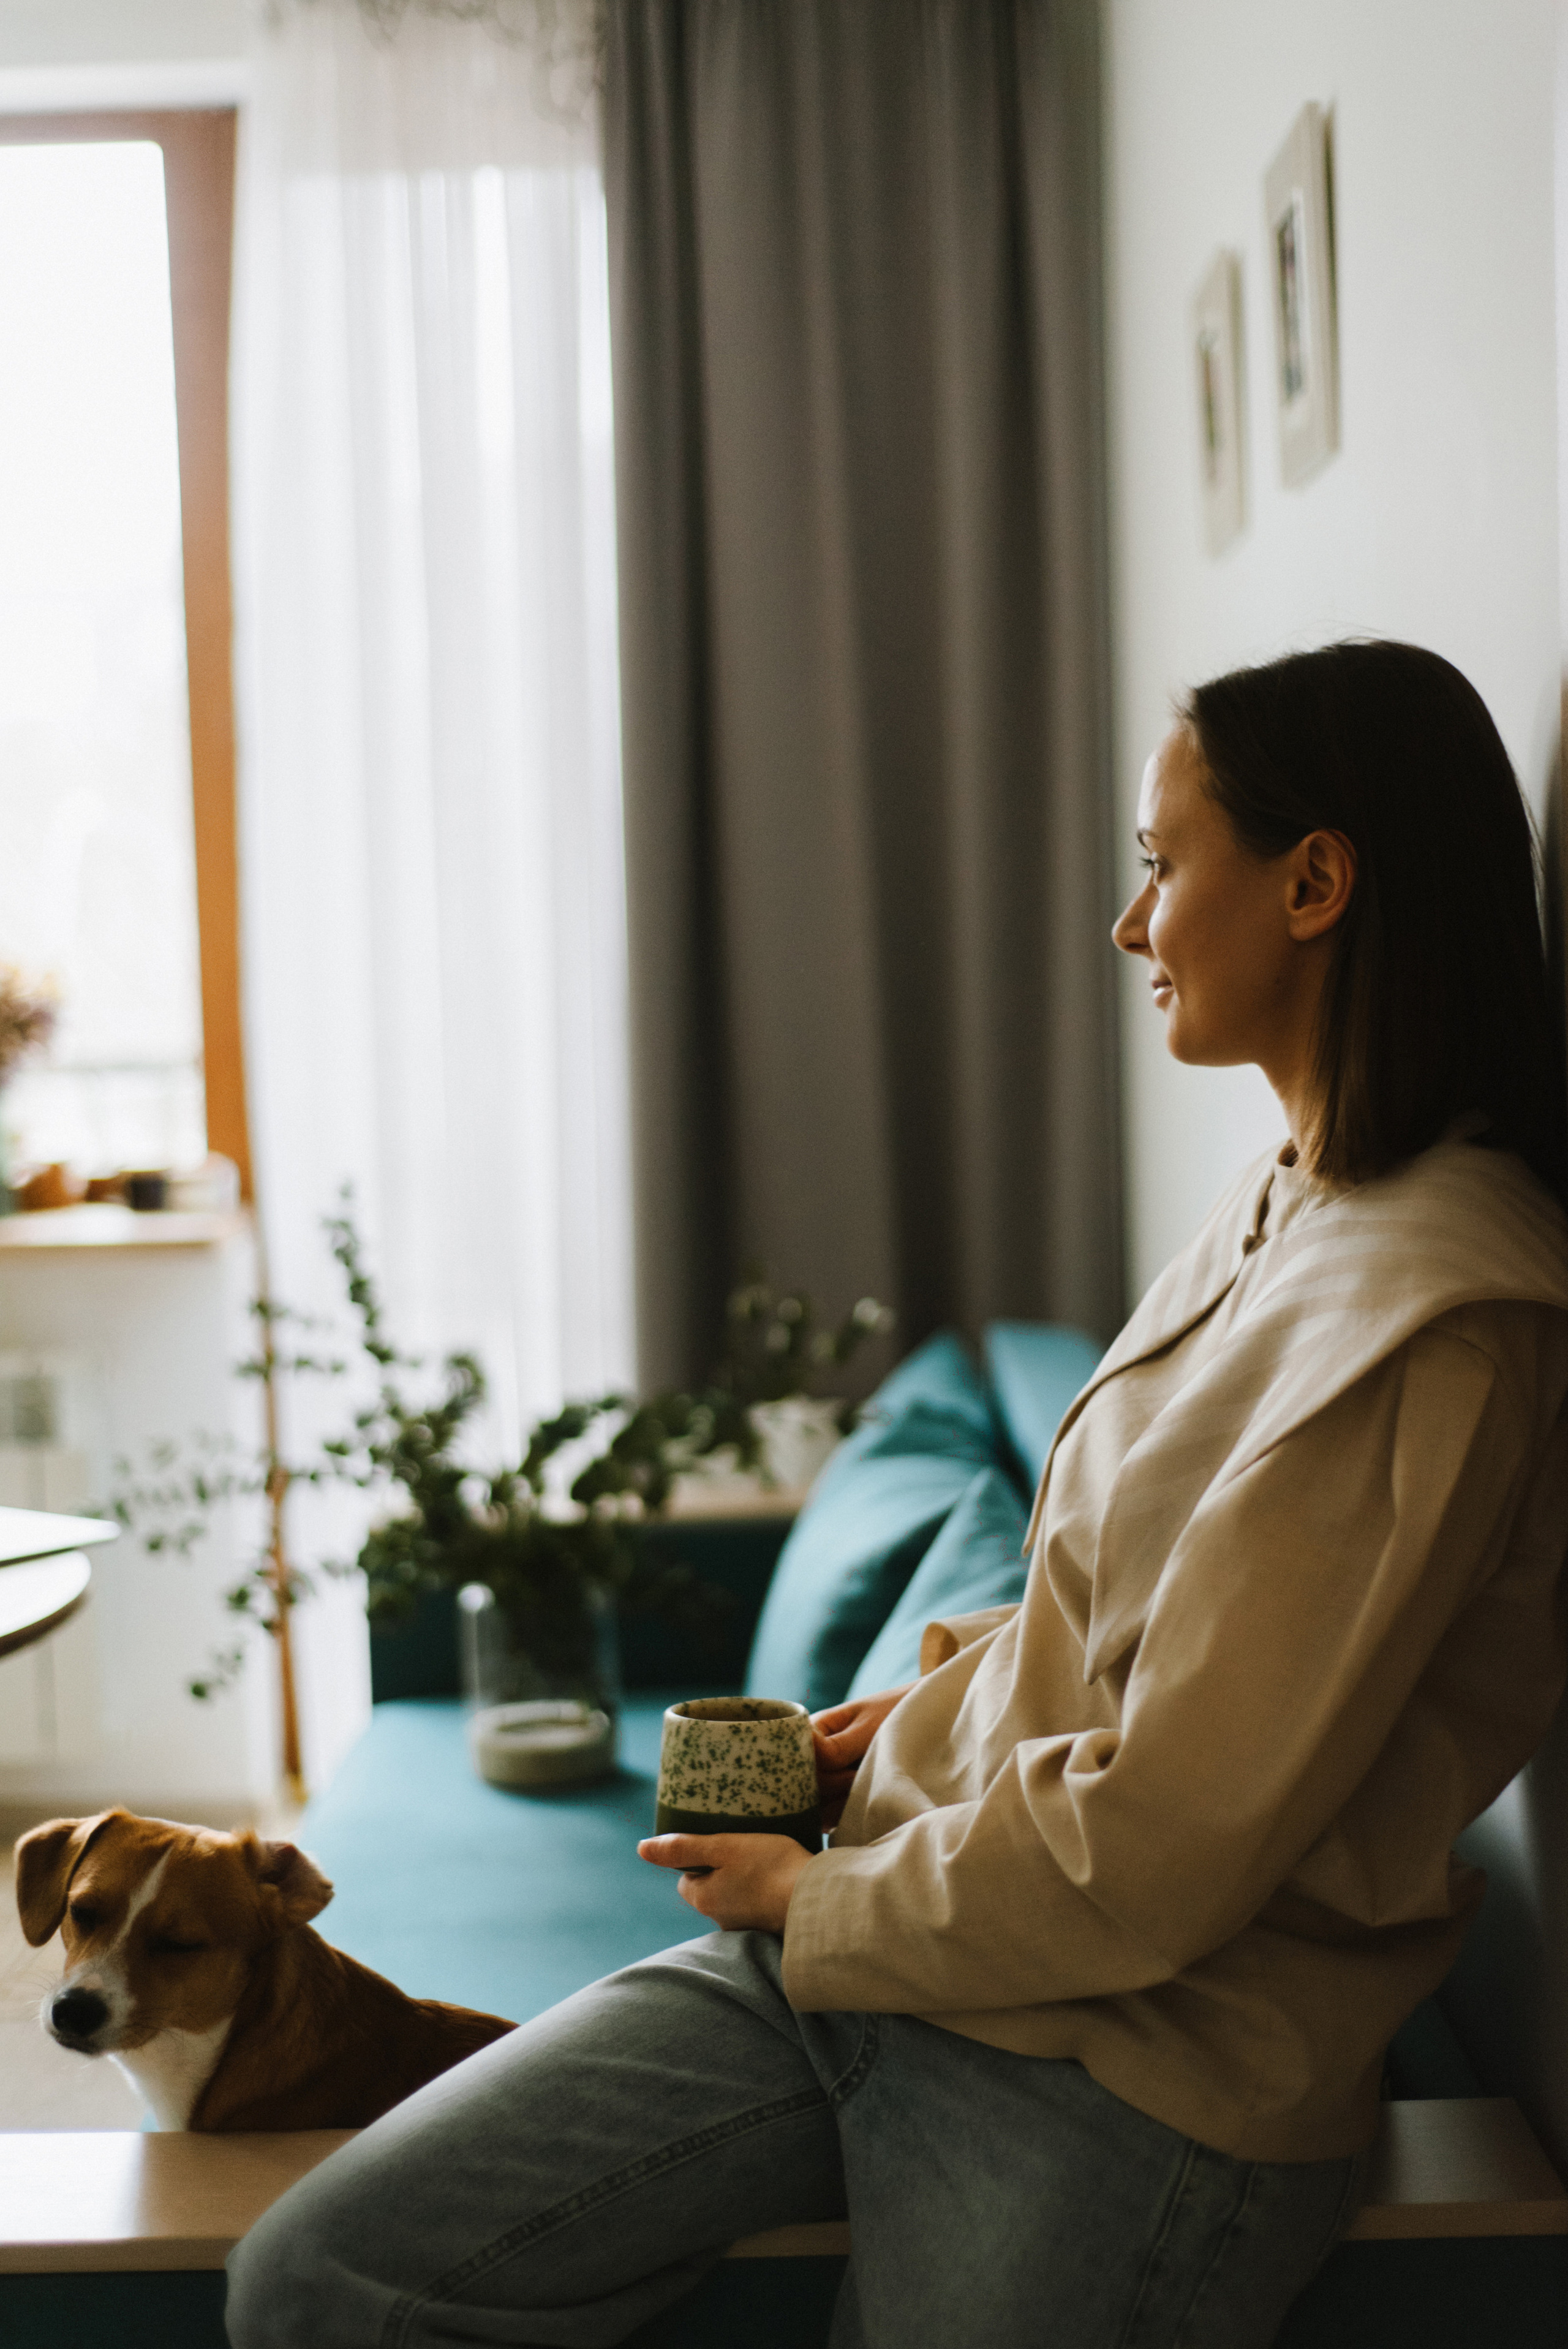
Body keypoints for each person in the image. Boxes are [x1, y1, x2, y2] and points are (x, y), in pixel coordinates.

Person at [225, 641, 1568, 2348]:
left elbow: (1169, 1840)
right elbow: (1160, 1610)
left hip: (1124, 2081)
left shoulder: (1439, 1315)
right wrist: (937, 1698)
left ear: (1314, 880)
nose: (1129, 921)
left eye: (1161, 862)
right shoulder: (1291, 1196)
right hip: (917, 1946)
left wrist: (819, 1900)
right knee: (321, 2276)